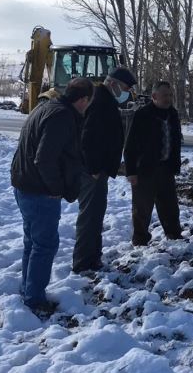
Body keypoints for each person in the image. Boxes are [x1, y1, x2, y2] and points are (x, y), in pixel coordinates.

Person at [10, 77, 94, 313]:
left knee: (33, 242)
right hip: (39, 191)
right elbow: (44, 158)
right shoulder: (61, 116)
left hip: (24, 184)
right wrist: (56, 189)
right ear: (84, 99)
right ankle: (34, 299)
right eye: (89, 103)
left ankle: (28, 289)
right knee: (45, 245)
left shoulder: (45, 107)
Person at [72, 66, 137, 273]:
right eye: (125, 87)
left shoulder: (105, 100)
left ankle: (93, 258)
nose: (126, 92)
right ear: (113, 83)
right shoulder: (99, 101)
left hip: (98, 170)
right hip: (92, 171)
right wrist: (93, 168)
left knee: (96, 215)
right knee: (90, 217)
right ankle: (83, 262)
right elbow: (87, 137)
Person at [123, 80, 183, 245]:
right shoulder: (142, 115)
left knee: (170, 206)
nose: (168, 98)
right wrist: (131, 171)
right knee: (142, 208)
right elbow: (130, 145)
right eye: (165, 95)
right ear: (155, 96)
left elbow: (176, 141)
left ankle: (174, 235)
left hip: (166, 169)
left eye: (170, 95)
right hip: (145, 170)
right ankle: (140, 239)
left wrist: (176, 164)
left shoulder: (173, 114)